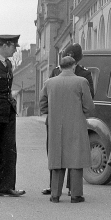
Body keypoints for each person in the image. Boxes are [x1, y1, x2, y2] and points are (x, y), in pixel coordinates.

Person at [39, 56, 94, 203]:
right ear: (74, 66)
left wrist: (52, 113)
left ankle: (55, 194)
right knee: (76, 158)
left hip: (55, 124)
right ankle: (76, 194)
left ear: (60, 67)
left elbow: (42, 104)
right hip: (76, 124)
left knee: (57, 157)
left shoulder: (49, 82)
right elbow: (89, 106)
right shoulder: (81, 82)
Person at [0, 34, 25, 197]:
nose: (14, 50)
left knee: (9, 151)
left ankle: (5, 187)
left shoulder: (8, 64)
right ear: (5, 45)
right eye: (13, 47)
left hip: (8, 113)